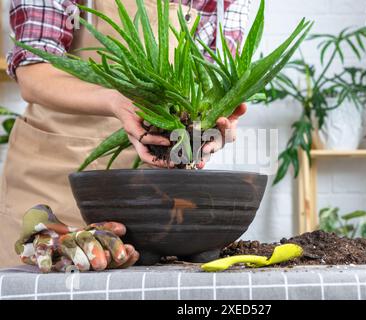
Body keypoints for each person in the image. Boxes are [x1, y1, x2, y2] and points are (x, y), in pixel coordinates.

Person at [0, 0, 251, 268]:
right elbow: (35, 71)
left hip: (151, 204)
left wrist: (213, 128)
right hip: (53, 177)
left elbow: (212, 89)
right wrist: (115, 102)